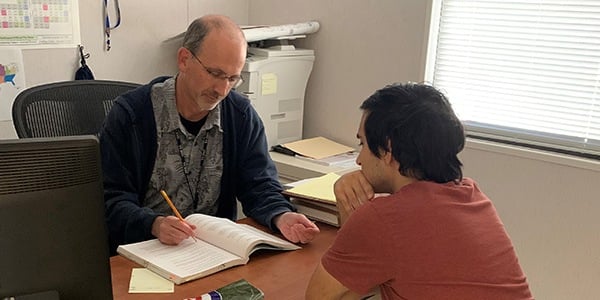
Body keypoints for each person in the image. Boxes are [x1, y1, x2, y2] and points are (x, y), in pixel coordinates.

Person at [99, 14, 319, 254]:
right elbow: (110, 200)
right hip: (144, 250)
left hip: (212, 252)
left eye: (233, 78)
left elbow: (259, 184)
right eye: (214, 74)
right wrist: (153, 224)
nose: (221, 90)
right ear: (184, 60)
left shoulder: (240, 115)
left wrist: (281, 215)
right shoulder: (132, 116)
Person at [306, 83, 533, 299]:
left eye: (362, 144)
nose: (358, 160)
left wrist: (350, 208)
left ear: (387, 149)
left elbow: (320, 297)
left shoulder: (383, 218)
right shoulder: (472, 197)